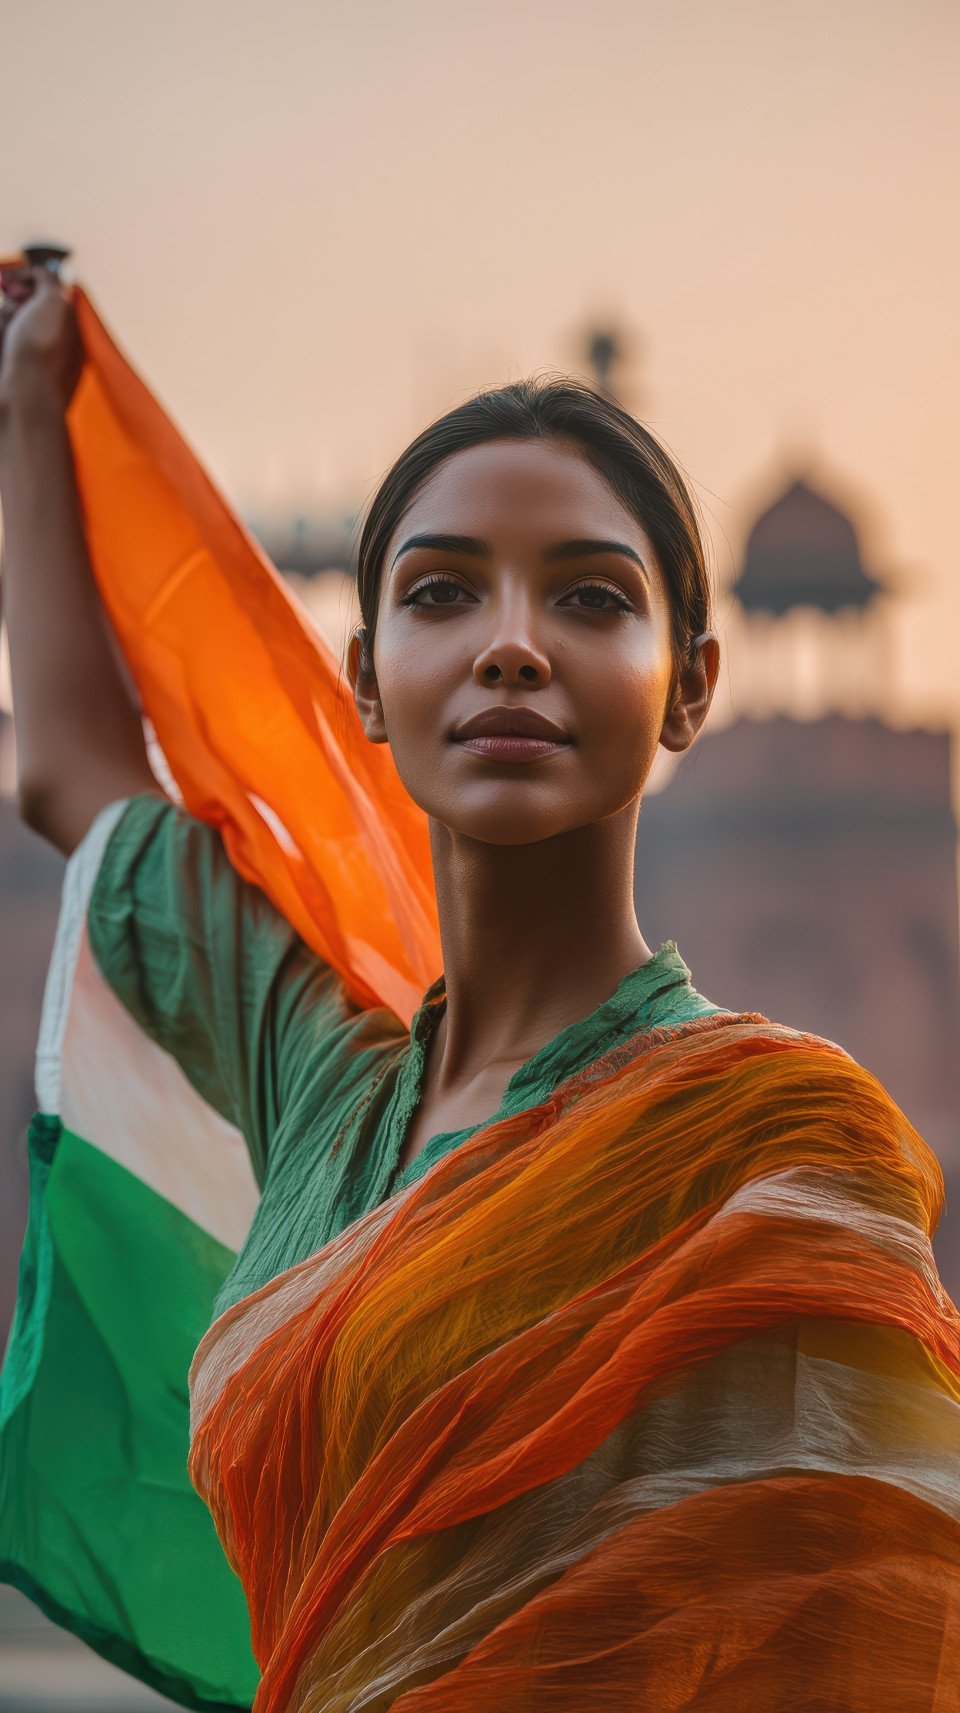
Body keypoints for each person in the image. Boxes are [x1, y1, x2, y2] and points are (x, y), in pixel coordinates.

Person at [1, 264, 958, 1713]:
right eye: (443, 591)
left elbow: (859, 1635)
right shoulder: (326, 1092)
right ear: (372, 678)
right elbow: (75, 773)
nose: (512, 641)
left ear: (689, 684)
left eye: (589, 594)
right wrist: (28, 400)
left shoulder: (776, 1137)